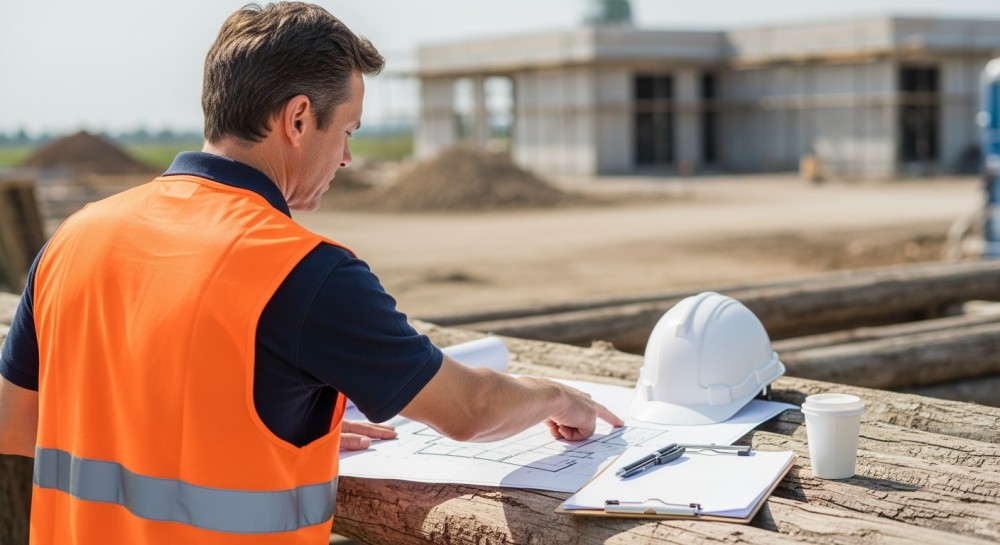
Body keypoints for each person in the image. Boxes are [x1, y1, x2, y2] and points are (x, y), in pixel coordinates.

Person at [0, 3, 622, 543]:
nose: (348, 157)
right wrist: (557, 394)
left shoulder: (76, 236)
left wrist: (256, 442)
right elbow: (471, 410)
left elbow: (18, 422)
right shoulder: (303, 272)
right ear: (298, 119)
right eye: (347, 130)